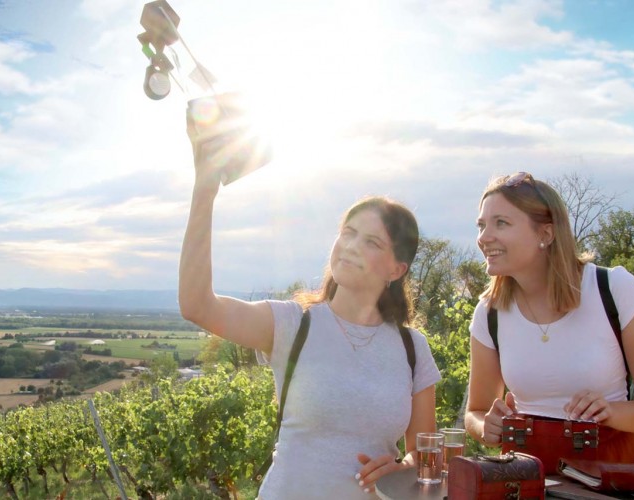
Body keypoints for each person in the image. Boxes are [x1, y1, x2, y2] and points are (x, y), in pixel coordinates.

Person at [179, 109, 441, 499]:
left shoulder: (412, 349)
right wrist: (205, 189)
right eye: (348, 233)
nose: (351, 246)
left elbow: (426, 461)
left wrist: (404, 465)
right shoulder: (292, 324)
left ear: (396, 268)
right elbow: (197, 305)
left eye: (372, 242)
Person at [465, 171, 634, 462]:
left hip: (608, 476)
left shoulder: (614, 289)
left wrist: (612, 412)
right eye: (481, 225)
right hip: (524, 478)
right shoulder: (489, 313)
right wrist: (486, 427)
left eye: (501, 223)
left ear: (546, 233)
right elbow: (475, 412)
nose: (483, 237)